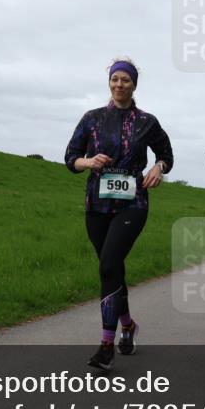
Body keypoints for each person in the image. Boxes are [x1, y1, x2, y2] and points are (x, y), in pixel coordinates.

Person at [65, 59, 173, 371]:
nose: (119, 84)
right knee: (111, 270)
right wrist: (88, 162)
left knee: (110, 265)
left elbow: (166, 155)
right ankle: (127, 325)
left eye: (126, 79)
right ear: (109, 83)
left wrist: (157, 167)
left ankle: (105, 345)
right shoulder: (92, 119)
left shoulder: (147, 122)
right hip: (96, 205)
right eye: (115, 79)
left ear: (134, 84)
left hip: (133, 204)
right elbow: (70, 158)